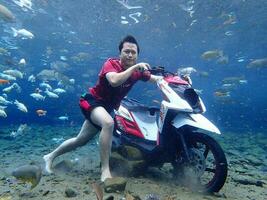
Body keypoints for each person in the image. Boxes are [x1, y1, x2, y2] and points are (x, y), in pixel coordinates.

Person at [43, 35, 161, 182]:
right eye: (127, 51)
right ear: (120, 54)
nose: (130, 55)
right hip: (92, 101)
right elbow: (114, 81)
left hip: (106, 108)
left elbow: (156, 79)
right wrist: (135, 68)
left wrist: (179, 80)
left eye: (133, 52)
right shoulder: (111, 64)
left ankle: (50, 156)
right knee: (108, 123)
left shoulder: (137, 72)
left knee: (80, 140)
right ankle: (105, 170)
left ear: (137, 55)